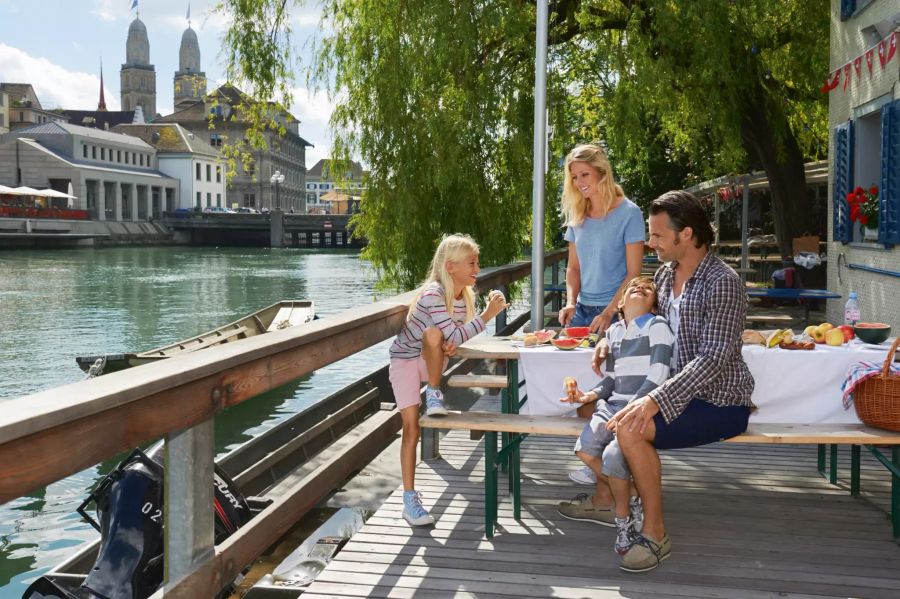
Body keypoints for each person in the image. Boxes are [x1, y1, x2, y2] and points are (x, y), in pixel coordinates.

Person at [598, 190, 754, 573]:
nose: (650, 244)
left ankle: (654, 533)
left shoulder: (724, 282)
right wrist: (611, 336)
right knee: (595, 406)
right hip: (680, 395)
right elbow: (646, 323)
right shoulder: (666, 276)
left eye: (657, 236)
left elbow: (714, 358)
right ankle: (608, 495)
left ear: (686, 235)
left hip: (721, 401)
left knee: (632, 427)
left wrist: (653, 401)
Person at [388, 234, 508, 527]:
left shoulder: (461, 298)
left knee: (434, 336)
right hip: (404, 361)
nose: (477, 267)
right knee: (411, 428)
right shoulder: (433, 294)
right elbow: (451, 335)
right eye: (472, 262)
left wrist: (449, 342)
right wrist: (487, 315)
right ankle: (409, 499)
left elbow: (451, 338)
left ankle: (433, 391)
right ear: (450, 266)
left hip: (430, 362)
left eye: (477, 262)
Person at [556, 276, 674, 556]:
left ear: (654, 306)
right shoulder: (614, 332)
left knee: (611, 458)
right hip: (611, 405)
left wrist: (634, 406)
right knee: (584, 449)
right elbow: (610, 379)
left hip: (639, 405)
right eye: (633, 287)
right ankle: (633, 494)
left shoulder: (657, 326)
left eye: (647, 289)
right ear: (620, 303)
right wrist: (588, 396)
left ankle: (623, 523)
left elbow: (660, 372)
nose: (639, 288)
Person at [557, 143, 645, 484]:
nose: (579, 183)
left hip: (621, 312)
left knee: (611, 385)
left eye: (585, 175)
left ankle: (596, 457)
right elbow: (573, 269)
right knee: (573, 381)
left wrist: (611, 311)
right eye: (574, 177)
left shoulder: (629, 213)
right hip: (582, 312)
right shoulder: (577, 216)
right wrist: (569, 301)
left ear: (602, 173)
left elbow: (634, 273)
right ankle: (593, 452)